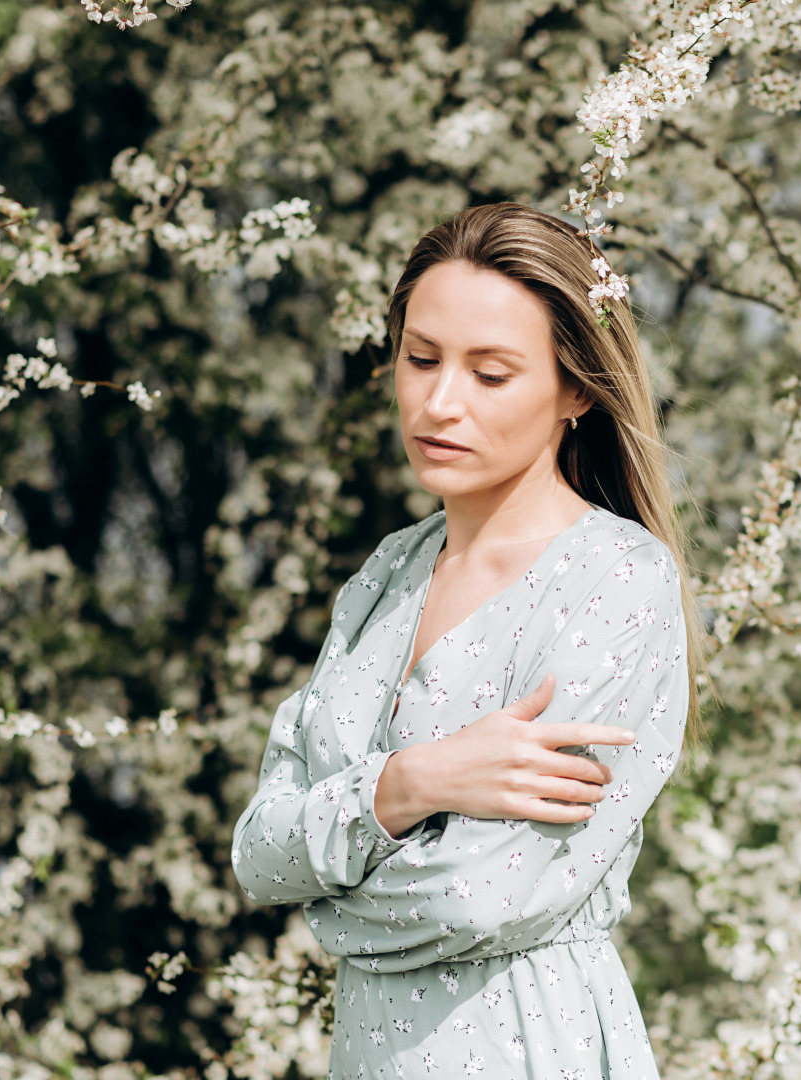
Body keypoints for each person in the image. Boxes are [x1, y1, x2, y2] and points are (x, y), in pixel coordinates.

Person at [230, 201, 706, 1080]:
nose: (438, 402)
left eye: (490, 374)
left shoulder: (614, 581)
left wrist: (328, 886)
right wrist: (412, 782)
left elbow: (479, 896)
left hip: (527, 1047)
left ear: (575, 390)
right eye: (420, 359)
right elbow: (259, 851)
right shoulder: (387, 574)